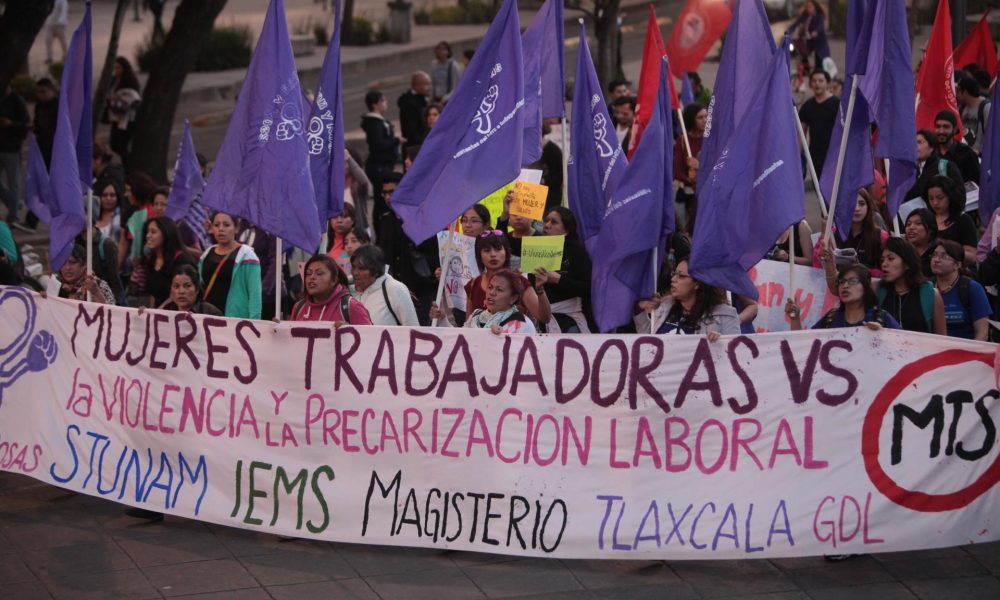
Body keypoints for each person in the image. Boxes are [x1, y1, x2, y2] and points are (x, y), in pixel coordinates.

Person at [822, 237, 945, 334]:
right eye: (882, 260)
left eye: (890, 259)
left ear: (907, 263)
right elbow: (837, 288)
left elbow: (942, 341)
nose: (884, 264)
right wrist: (829, 263)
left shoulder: (931, 294)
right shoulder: (877, 288)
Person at [429, 232, 551, 325]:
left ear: (506, 252)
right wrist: (443, 319)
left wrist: (540, 289)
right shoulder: (473, 284)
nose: (493, 254)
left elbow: (544, 318)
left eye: (498, 249)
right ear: (479, 256)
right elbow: (469, 328)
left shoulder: (519, 282)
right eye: (487, 250)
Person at [377, 173, 439, 323]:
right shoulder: (385, 220)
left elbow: (433, 249)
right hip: (395, 289)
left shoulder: (422, 217)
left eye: (392, 192)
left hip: (423, 287)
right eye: (384, 193)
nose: (387, 197)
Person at [634, 258, 740, 340]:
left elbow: (735, 354)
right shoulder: (665, 305)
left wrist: (721, 342)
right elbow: (648, 340)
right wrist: (639, 310)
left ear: (697, 284)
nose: (673, 279)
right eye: (674, 273)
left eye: (681, 276)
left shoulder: (726, 314)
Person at [531, 207, 593, 333]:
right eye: (546, 221)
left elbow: (587, 288)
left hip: (569, 323)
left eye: (554, 222)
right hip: (541, 322)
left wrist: (558, 279)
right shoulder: (536, 250)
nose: (547, 225)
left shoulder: (577, 252)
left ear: (566, 230)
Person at [786, 264, 900, 330]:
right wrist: (795, 319)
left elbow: (906, 347)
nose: (845, 286)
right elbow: (803, 347)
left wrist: (883, 335)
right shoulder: (831, 318)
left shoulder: (882, 318)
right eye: (841, 282)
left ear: (865, 287)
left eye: (852, 281)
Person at [198, 212, 262, 319]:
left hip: (235, 323)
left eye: (226, 225)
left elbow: (255, 296)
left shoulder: (248, 257)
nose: (221, 229)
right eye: (216, 225)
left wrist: (254, 323)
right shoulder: (206, 255)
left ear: (236, 228)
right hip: (207, 320)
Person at [815, 188, 888, 275]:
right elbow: (817, 267)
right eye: (852, 204)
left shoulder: (881, 236)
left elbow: (888, 271)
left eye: (862, 204)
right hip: (841, 286)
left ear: (868, 207)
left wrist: (861, 271)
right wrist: (822, 252)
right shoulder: (833, 234)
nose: (857, 208)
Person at [930, 239, 990, 340]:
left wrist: (973, 355)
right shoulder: (927, 287)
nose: (936, 260)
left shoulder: (972, 288)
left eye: (943, 256)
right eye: (934, 255)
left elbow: (982, 332)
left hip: (965, 351)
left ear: (957, 264)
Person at [291, 254, 371, 324]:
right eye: (308, 273)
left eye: (319, 273)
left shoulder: (352, 307)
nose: (312, 277)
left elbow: (371, 338)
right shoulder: (298, 307)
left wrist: (349, 332)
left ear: (334, 280)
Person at [351, 245, 419, 326]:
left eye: (361, 268)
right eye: (353, 267)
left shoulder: (395, 288)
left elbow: (413, 329)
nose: (355, 273)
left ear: (375, 270)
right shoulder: (350, 292)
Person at [361, 90, 400, 223]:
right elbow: (378, 144)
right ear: (375, 104)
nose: (386, 103)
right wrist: (396, 141)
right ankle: (380, 228)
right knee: (381, 201)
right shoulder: (374, 123)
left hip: (385, 165)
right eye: (383, 101)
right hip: (379, 167)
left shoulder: (380, 121)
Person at [139, 217, 194, 308]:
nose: (148, 235)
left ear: (165, 233)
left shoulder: (181, 260)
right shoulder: (151, 260)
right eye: (147, 232)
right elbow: (153, 294)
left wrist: (158, 312)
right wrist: (151, 312)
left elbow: (178, 293)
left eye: (153, 232)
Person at [924, 175, 977, 265]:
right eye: (931, 199)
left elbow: (972, 256)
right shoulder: (926, 218)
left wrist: (948, 250)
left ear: (950, 196)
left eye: (940, 198)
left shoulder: (963, 220)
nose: (935, 203)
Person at [463, 269, 536, 334]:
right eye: (490, 287)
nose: (491, 293)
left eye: (499, 289)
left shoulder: (523, 324)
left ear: (513, 298)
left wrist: (500, 337)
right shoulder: (475, 317)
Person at [798, 69, 839, 178]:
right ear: (810, 84)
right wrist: (797, 157)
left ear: (827, 83)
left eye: (821, 80)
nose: (817, 83)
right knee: (820, 191)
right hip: (816, 157)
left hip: (836, 155)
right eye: (814, 81)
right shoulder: (807, 107)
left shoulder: (837, 104)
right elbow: (801, 135)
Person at [904, 129, 964, 201]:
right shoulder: (908, 170)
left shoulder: (946, 167)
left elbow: (960, 197)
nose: (914, 146)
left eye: (919, 142)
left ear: (932, 147)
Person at [0, 84, 29, 230]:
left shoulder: (16, 101)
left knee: (14, 183)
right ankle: (14, 203)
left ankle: (14, 216)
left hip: (12, 147)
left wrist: (11, 124)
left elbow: (26, 124)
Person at [674, 103, 706, 233]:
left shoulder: (712, 139)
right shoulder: (682, 141)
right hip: (689, 195)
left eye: (706, 116)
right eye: (700, 117)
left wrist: (699, 166)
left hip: (706, 195)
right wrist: (690, 179)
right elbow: (676, 171)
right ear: (691, 119)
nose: (704, 120)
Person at [105, 57, 141, 162]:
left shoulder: (130, 81)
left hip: (127, 119)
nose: (116, 71)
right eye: (115, 68)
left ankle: (128, 165)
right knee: (114, 144)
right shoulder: (114, 81)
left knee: (121, 144)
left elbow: (133, 99)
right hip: (117, 117)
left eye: (118, 68)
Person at [933, 110, 980, 185]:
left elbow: (974, 185)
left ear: (954, 130)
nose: (941, 131)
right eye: (938, 126)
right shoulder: (931, 154)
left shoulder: (967, 154)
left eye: (946, 127)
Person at [788, 0, 831, 69]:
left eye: (810, 6)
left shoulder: (819, 16)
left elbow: (821, 27)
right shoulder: (805, 16)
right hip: (809, 41)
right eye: (807, 7)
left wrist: (816, 32)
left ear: (815, 7)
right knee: (800, 52)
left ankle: (818, 71)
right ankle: (805, 69)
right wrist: (788, 31)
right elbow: (796, 23)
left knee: (819, 60)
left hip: (819, 42)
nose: (809, 9)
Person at [956, 76, 991, 153]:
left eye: (958, 90)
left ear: (964, 92)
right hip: (965, 154)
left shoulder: (986, 107)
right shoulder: (961, 108)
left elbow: (991, 134)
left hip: (980, 156)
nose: (955, 93)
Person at [398, 71, 431, 149]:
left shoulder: (421, 99)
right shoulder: (410, 105)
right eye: (426, 84)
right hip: (415, 149)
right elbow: (411, 132)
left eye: (430, 84)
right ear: (416, 86)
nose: (430, 87)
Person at [903, 208, 938, 277]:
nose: (911, 227)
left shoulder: (938, 251)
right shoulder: (903, 253)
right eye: (908, 224)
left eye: (918, 223)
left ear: (931, 229)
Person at [324, 203, 356, 275]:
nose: (339, 221)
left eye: (344, 216)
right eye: (334, 217)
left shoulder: (359, 241)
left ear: (353, 220)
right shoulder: (324, 242)